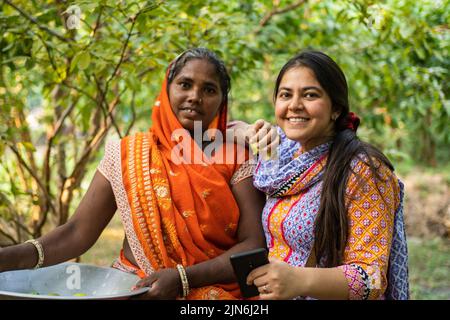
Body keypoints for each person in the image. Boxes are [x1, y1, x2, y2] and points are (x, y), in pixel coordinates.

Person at [0, 48, 268, 300]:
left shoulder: (235, 157)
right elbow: (77, 232)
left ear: (222, 101)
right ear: (166, 90)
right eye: (185, 84)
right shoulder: (129, 153)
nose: (195, 97)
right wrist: (11, 258)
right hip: (134, 289)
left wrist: (184, 278)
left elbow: (254, 245)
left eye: (209, 89)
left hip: (215, 293)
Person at [245, 50, 409, 300]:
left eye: (310, 95)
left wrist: (301, 280)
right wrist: (252, 130)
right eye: (285, 95)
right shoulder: (283, 156)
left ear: (336, 109)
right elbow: (224, 130)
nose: (294, 105)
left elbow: (374, 277)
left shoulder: (364, 170)